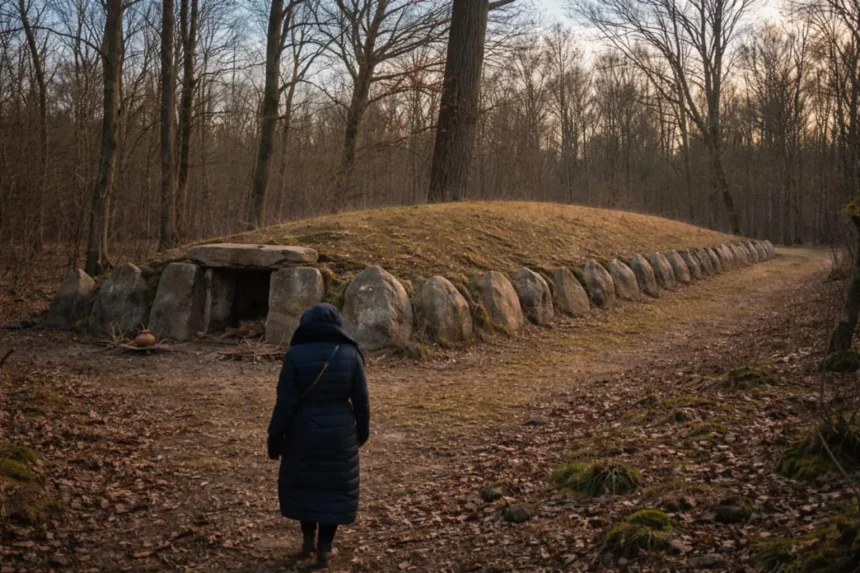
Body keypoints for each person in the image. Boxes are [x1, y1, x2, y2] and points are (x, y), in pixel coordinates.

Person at [267, 303, 370, 569]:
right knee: (333, 488)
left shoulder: (294, 355)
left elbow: (285, 402)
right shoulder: (351, 353)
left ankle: (307, 541)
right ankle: (326, 547)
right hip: (340, 432)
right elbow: (361, 400)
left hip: (302, 430)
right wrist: (362, 432)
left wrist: (275, 436)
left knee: (306, 485)